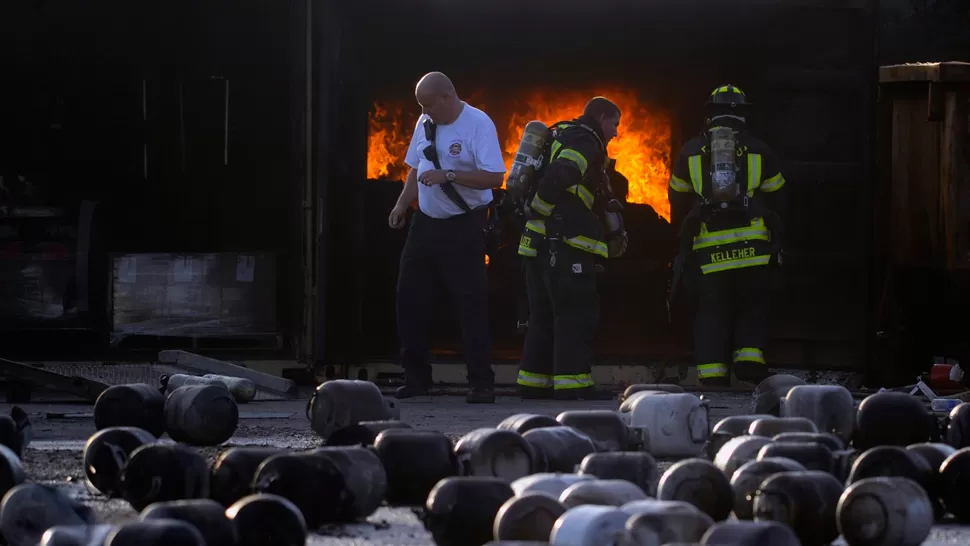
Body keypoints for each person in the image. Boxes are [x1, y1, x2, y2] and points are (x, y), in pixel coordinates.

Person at [388, 72, 506, 404]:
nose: (425, 111)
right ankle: (416, 378)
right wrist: (401, 206)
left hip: (464, 225)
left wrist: (449, 175)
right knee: (408, 297)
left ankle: (481, 383)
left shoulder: (478, 125)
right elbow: (416, 166)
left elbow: (495, 177)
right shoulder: (424, 122)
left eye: (428, 104)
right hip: (425, 223)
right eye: (420, 105)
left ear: (448, 95)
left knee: (470, 302)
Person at [667, 84, 788, 387]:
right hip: (753, 250)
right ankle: (748, 363)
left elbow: (677, 200)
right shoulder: (760, 149)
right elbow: (780, 197)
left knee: (711, 310)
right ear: (743, 114)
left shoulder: (691, 151)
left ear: (709, 114)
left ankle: (711, 374)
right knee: (752, 304)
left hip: (710, 253)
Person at [514, 97, 624, 400]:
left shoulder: (560, 133)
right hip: (564, 243)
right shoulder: (585, 141)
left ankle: (532, 382)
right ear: (601, 118)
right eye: (614, 124)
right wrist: (541, 207)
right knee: (575, 312)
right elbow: (561, 174)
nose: (615, 132)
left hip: (537, 242)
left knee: (542, 314)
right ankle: (573, 383)